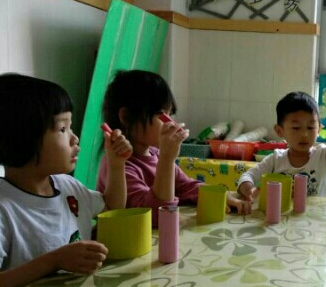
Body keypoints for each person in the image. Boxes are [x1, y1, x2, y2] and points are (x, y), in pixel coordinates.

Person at [0, 74, 132, 287]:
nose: (74, 138)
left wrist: (116, 165)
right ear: (22, 136)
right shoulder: (3, 207)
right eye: (62, 129)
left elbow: (112, 209)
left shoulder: (68, 187)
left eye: (70, 127)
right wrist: (54, 261)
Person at [97, 70, 247, 225]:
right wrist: (167, 159)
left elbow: (185, 186)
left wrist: (218, 196)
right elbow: (157, 216)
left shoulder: (155, 154)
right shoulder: (118, 167)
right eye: (162, 115)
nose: (171, 123)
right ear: (127, 117)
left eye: (170, 115)